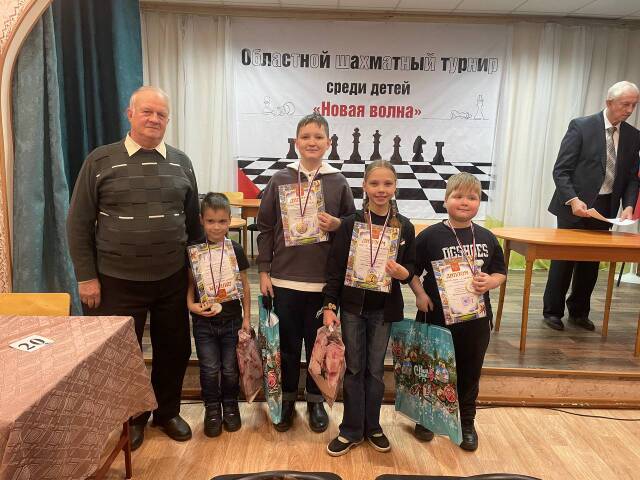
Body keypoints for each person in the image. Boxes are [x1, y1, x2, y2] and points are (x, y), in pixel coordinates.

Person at [66, 86, 202, 450]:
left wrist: (199, 277)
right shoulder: (100, 161)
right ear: (130, 114)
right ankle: (133, 418)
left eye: (161, 114)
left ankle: (167, 412)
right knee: (123, 357)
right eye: (147, 112)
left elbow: (193, 226)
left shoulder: (181, 162)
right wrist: (86, 277)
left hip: (172, 278)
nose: (154, 119)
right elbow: (78, 223)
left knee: (174, 349)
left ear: (168, 120)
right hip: (116, 280)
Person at [257, 112, 355, 432]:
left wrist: (338, 224)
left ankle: (315, 402)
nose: (312, 142)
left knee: (319, 347)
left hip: (322, 284)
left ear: (329, 143)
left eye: (318, 137)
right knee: (286, 347)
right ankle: (286, 400)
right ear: (296, 142)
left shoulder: (338, 182)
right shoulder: (280, 179)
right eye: (306, 136)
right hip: (284, 279)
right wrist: (264, 270)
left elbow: (352, 227)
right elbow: (265, 227)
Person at [322, 160, 415, 456]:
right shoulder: (351, 224)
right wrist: (329, 305)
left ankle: (373, 426)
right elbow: (335, 268)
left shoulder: (404, 227)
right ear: (364, 186)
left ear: (395, 187)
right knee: (354, 370)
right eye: (374, 183)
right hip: (351, 308)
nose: (381, 189)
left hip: (383, 311)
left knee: (374, 372)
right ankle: (351, 429)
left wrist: (404, 272)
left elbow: (411, 267)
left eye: (387, 183)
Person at [409, 173, 506, 451]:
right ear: (445, 200)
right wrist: (420, 294)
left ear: (479, 203)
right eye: (458, 196)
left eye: (472, 197)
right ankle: (426, 417)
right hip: (436, 317)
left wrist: (491, 282)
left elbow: (500, 272)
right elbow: (411, 271)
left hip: (476, 320)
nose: (465, 202)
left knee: (469, 371)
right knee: (431, 367)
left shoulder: (487, 237)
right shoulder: (429, 236)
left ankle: (466, 422)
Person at [543, 81, 640, 331]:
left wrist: (629, 205)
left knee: (591, 263)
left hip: (606, 207)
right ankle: (552, 312)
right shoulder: (581, 126)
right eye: (625, 104)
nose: (630, 110)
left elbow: (632, 177)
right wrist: (573, 199)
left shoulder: (633, 136)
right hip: (573, 204)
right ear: (609, 102)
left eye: (634, 105)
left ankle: (578, 311)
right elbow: (561, 170)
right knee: (564, 260)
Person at [187, 193, 251, 438]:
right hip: (204, 322)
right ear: (201, 220)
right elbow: (190, 284)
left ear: (230, 221)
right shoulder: (194, 251)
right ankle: (212, 409)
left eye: (222, 221)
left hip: (232, 321)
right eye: (211, 221)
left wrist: (247, 319)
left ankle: (231, 406)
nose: (216, 227)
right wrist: (191, 305)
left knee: (230, 369)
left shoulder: (236, 249)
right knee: (209, 369)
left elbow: (245, 286)